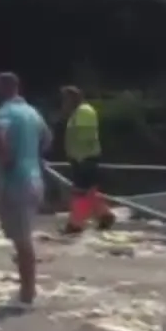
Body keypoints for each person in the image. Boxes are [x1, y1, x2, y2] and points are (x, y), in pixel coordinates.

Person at [0, 72, 52, 308]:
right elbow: (47, 138)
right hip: (35, 179)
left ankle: (27, 292)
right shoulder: (32, 111)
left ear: (4, 87)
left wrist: (6, 159)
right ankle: (26, 289)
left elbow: (0, 135)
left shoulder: (5, 111)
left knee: (23, 241)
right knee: (21, 237)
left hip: (16, 182)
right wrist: (33, 154)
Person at [59, 86, 114, 234]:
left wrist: (79, 156)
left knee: (79, 192)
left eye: (66, 99)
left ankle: (76, 224)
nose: (64, 103)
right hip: (81, 157)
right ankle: (105, 215)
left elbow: (84, 136)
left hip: (85, 157)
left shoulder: (84, 112)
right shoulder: (78, 112)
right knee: (89, 191)